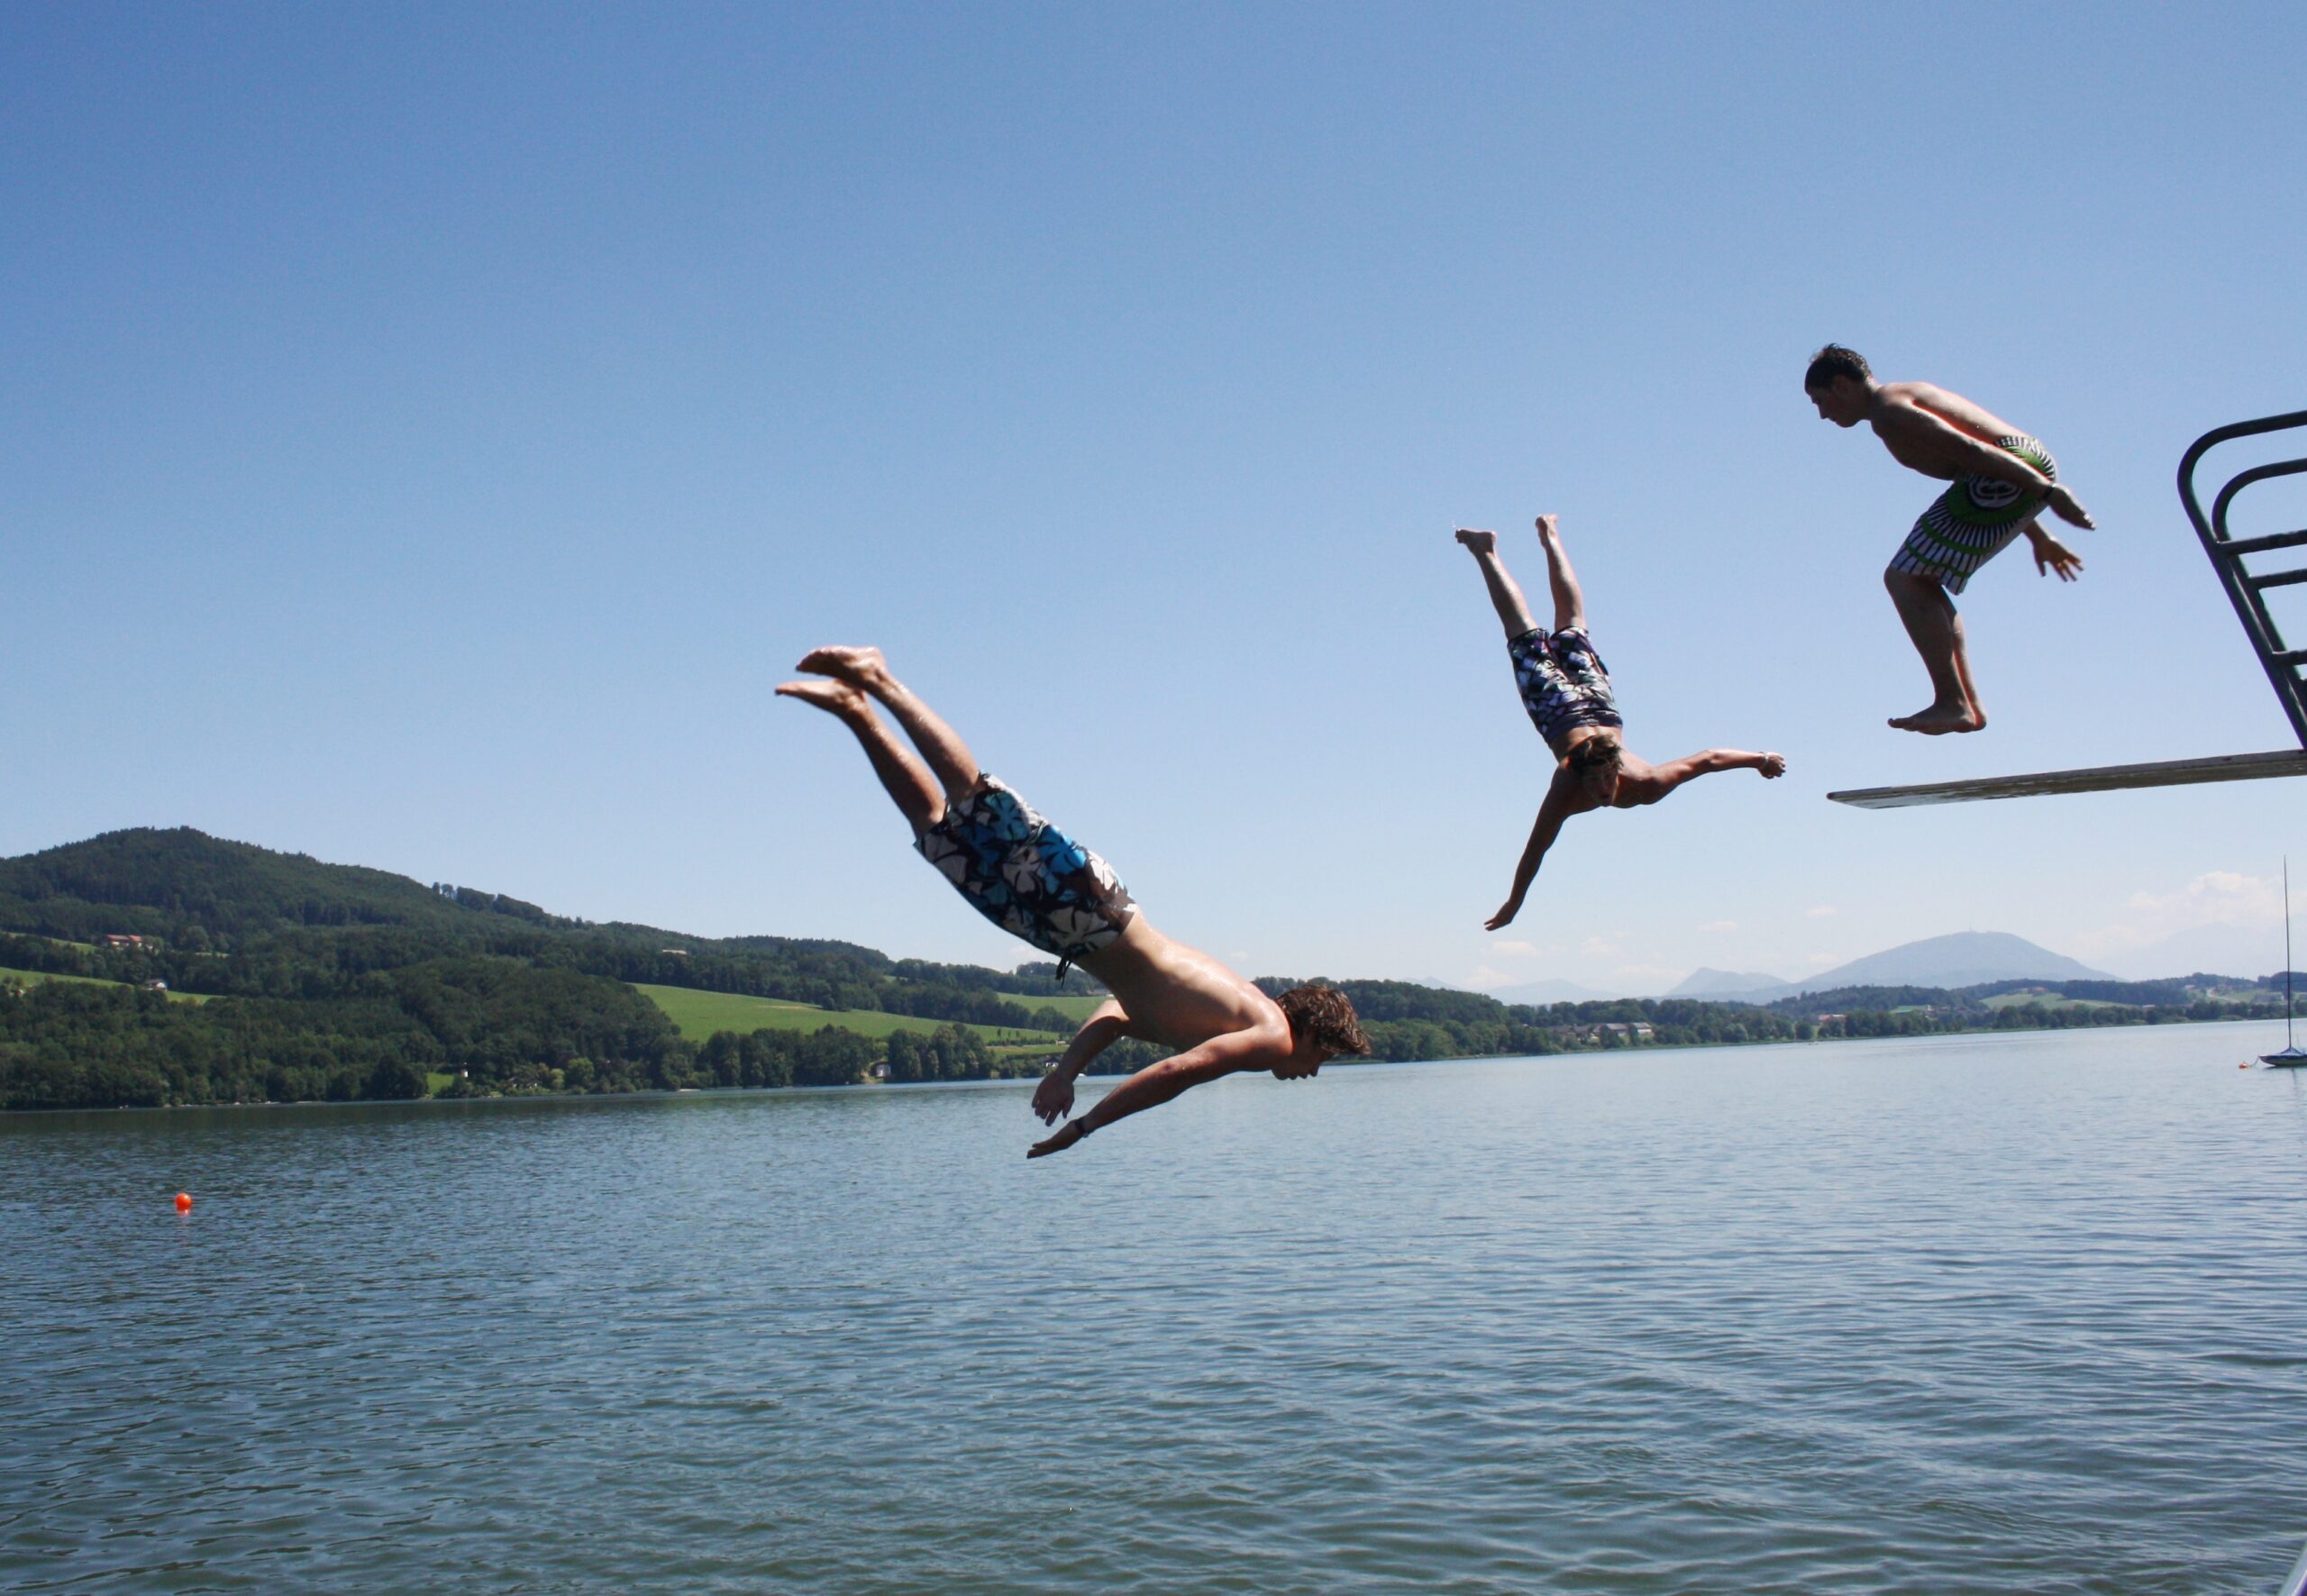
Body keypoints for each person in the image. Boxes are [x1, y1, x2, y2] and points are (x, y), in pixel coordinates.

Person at [779, 645, 1371, 1156]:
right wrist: (1086, 1126)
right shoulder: (1271, 1033)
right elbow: (1173, 1075)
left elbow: (1117, 1013)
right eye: (1324, 1057)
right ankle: (879, 678)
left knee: (939, 835)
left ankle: (857, 712)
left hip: (1068, 931)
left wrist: (1066, 1072)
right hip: (1095, 911)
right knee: (975, 800)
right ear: (1313, 1032)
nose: (1312, 1071)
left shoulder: (1223, 1016)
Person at [1455, 516, 1786, 930]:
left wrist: (1761, 758)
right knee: (1550, 629)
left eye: (1601, 782)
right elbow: (1537, 846)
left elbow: (1709, 758)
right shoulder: (1569, 784)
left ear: (1617, 767)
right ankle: (1495, 549)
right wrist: (1515, 902)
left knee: (1560, 628)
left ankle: (1541, 540)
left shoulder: (1645, 780)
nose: (1598, 792)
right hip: (1577, 709)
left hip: (1579, 708)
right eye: (1593, 785)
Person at [1802, 343, 2096, 734]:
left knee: (1903, 577)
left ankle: (1954, 702)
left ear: (1841, 386)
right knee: (1918, 577)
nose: (1822, 414)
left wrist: (2046, 492)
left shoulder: (1891, 412)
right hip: (2015, 467)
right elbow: (1970, 470)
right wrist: (2037, 533)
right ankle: (1964, 705)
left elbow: (1971, 450)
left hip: (2015, 469)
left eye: (1820, 401)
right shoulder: (1902, 396)